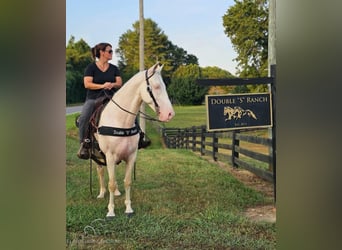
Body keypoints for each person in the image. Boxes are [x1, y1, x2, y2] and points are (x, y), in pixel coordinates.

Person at [77, 42, 150, 159]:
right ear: (102, 53)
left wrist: (112, 84)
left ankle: (140, 137)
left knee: (130, 111)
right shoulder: (91, 68)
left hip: (112, 98)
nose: (112, 53)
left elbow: (119, 83)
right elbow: (87, 84)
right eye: (110, 51)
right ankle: (84, 144)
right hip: (94, 98)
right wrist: (102, 86)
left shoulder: (114, 68)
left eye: (112, 51)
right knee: (84, 117)